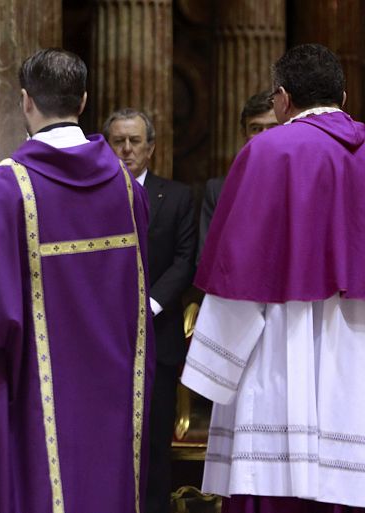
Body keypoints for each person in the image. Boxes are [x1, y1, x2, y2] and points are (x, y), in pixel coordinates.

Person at [0, 49, 154, 513]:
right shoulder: (126, 186)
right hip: (114, 380)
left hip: (32, 377)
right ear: (83, 99)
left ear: (25, 102)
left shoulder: (5, 187)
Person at [182, 43, 365, 511]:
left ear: (281, 99)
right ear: (343, 98)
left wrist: (213, 366)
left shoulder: (267, 150)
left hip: (282, 347)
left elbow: (238, 269)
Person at [104, 109, 197, 513]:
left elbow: (185, 260)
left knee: (156, 443)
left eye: (134, 141)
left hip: (159, 337)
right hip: (105, 339)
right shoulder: (93, 197)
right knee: (107, 441)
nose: (126, 149)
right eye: (118, 141)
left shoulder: (177, 196)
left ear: (151, 147)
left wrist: (148, 306)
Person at [199, 91, 279, 257]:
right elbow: (206, 258)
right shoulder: (217, 190)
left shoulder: (303, 184)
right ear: (244, 134)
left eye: (273, 127)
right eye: (256, 128)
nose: (264, 136)